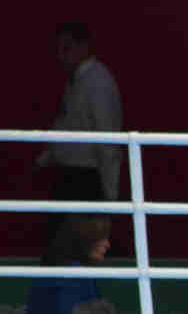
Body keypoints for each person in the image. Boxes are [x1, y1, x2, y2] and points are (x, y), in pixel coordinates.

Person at [9, 214, 111, 314]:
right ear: (84, 239)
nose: (107, 244)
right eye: (101, 238)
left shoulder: (62, 269)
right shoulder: (72, 275)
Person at [35, 22, 123, 203]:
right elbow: (66, 123)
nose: (60, 56)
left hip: (87, 179)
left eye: (67, 48)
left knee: (84, 229)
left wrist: (111, 193)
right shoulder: (75, 80)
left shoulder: (98, 82)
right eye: (58, 49)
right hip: (69, 176)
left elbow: (107, 140)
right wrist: (46, 157)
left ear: (84, 47)